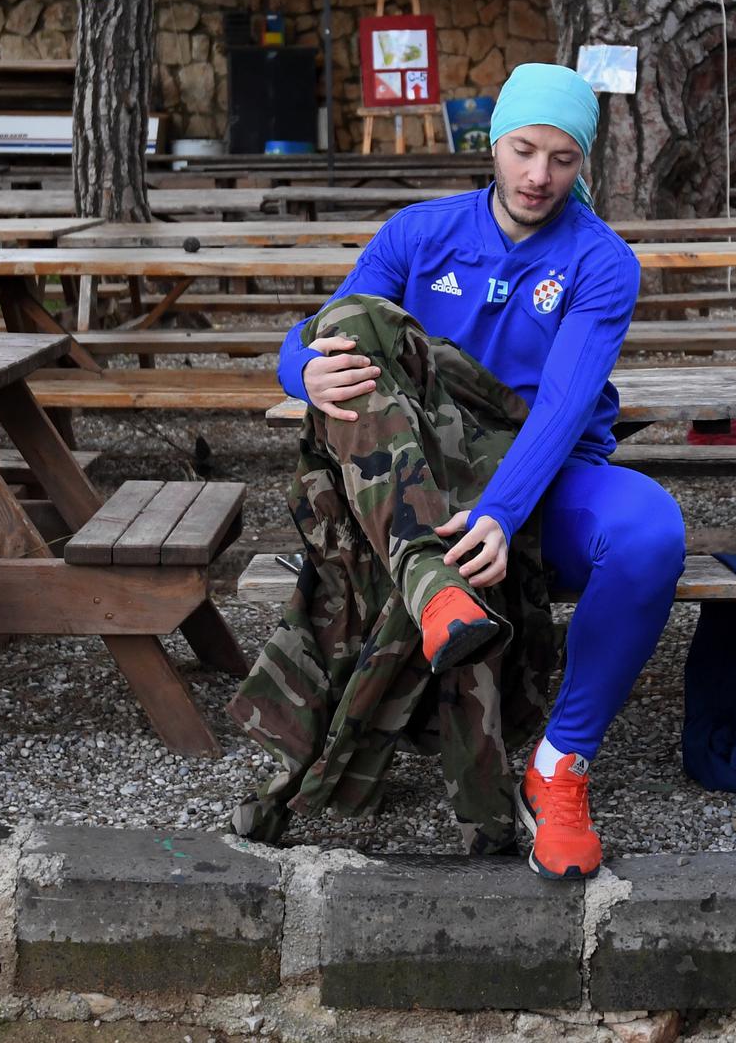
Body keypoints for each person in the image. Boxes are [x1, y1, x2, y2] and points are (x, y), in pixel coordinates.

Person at [274, 63, 686, 881]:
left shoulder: (601, 262)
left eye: (563, 159)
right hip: (424, 477)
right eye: (524, 150)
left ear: (584, 164)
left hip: (541, 474)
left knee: (648, 532)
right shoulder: (419, 233)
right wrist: (300, 375)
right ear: (492, 142)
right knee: (356, 339)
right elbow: (320, 332)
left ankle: (558, 765)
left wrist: (500, 510)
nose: (539, 176)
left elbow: (565, 407)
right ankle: (431, 581)